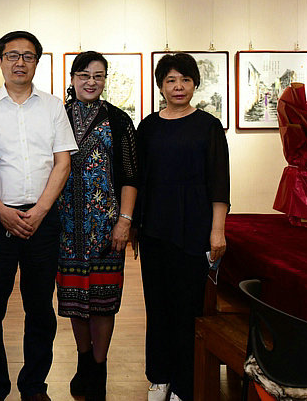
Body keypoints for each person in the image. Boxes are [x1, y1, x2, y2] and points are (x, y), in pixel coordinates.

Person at [0, 31, 77, 401]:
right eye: (12, 55)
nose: (20, 62)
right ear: (0, 60)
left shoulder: (52, 107)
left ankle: (34, 386)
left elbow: (62, 162)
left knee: (40, 311)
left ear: (37, 61)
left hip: (42, 222)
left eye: (28, 56)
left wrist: (40, 211)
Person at [136, 52, 230, 401]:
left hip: (193, 228)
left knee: (186, 308)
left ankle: (183, 384)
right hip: (154, 228)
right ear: (161, 86)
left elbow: (219, 182)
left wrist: (217, 230)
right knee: (157, 304)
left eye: (186, 80)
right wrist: (135, 225)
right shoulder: (148, 127)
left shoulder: (208, 126)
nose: (178, 86)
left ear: (195, 84)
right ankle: (159, 377)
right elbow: (138, 180)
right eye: (171, 80)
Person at [56, 51, 138, 401]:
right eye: (84, 75)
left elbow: (131, 175)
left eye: (98, 75)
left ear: (105, 80)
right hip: (65, 227)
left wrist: (125, 222)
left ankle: (99, 367)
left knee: (104, 301)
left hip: (107, 228)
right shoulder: (56, 116)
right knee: (74, 300)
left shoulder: (118, 120)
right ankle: (83, 359)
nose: (91, 81)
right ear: (72, 78)